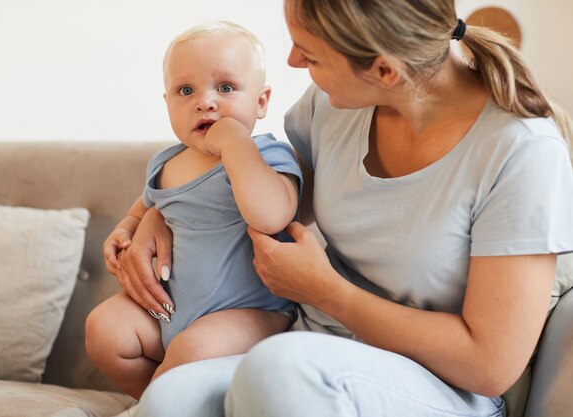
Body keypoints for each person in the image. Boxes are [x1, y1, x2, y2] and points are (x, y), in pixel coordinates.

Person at [130, 1, 573, 416]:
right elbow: (268, 199)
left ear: (384, 70)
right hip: (305, 349)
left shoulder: (521, 152)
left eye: (311, 54)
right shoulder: (335, 104)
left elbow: (491, 364)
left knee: (280, 371)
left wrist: (328, 293)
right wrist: (156, 217)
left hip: (438, 385)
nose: (293, 63)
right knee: (170, 397)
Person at [84, 20, 302, 400]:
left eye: (226, 87)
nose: (205, 101)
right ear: (167, 103)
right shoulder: (165, 163)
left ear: (261, 101)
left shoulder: (266, 154)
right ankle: (160, 401)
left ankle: (158, 405)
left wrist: (236, 145)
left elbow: (271, 216)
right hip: (170, 311)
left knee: (191, 352)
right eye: (186, 90)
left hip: (249, 315)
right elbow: (145, 206)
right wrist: (126, 228)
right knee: (103, 328)